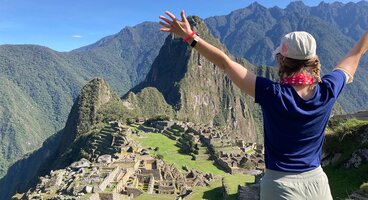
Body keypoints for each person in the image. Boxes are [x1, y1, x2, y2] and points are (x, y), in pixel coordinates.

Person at [159, 10, 368, 200]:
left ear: (281, 61)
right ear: (313, 61)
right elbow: (354, 55)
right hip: (318, 184)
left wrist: (190, 38)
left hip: (279, 186)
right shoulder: (327, 90)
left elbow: (224, 63)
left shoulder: (271, 93)